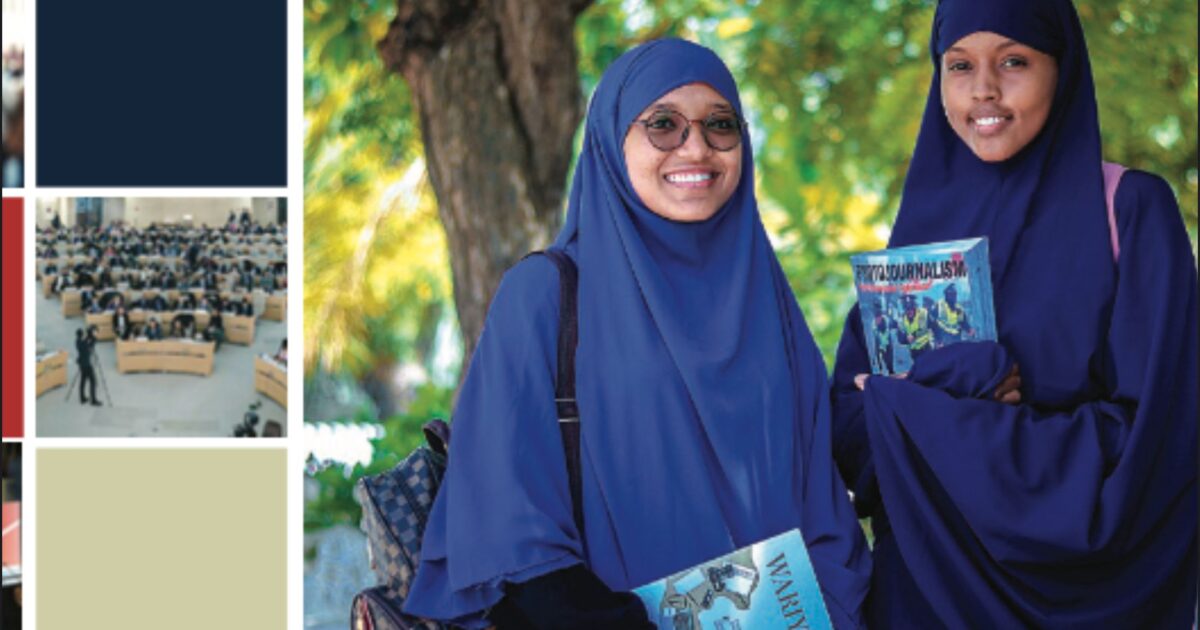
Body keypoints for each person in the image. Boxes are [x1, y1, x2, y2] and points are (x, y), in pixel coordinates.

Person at [404, 39, 871, 629]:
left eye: (719, 125)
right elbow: (508, 527)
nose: (696, 146)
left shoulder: (767, 305)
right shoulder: (544, 295)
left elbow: (821, 506)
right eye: (664, 125)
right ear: (611, 141)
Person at [830, 0, 1198, 627]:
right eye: (959, 65)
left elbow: (1158, 441)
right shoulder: (919, 233)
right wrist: (952, 392)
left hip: (1073, 596)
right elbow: (851, 438)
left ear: (1063, 68)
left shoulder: (1131, 212)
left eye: (1015, 61)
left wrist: (920, 412)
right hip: (918, 592)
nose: (983, 90)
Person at [895, 293, 931, 361]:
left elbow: (928, 327)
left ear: (914, 307)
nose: (909, 312)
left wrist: (939, 341)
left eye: (911, 309)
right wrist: (906, 338)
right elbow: (900, 338)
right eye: (907, 310)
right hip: (914, 351)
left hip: (926, 348)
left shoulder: (922, 313)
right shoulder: (901, 320)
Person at [75, 327, 99, 406]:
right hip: (87, 365)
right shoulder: (85, 342)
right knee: (93, 381)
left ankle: (82, 398)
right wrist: (93, 336)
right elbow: (92, 344)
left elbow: (88, 343)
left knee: (83, 380)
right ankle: (93, 400)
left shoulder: (78, 341)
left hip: (81, 364)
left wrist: (89, 337)